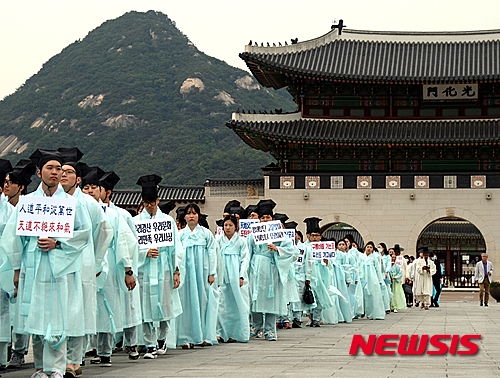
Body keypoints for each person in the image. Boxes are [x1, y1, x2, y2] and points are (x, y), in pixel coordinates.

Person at [1, 149, 91, 378]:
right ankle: (40, 368)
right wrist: (16, 269)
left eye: (58, 168)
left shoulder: (71, 203)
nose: (55, 172)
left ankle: (58, 368)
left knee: (59, 318)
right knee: (37, 318)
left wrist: (58, 243)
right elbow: (13, 238)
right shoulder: (27, 203)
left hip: (61, 269)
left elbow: (84, 233)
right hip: (33, 267)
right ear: (40, 172)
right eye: (50, 168)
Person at [59, 149, 113, 377]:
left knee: (78, 310)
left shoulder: (89, 204)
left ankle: (74, 358)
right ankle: (61, 358)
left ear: (78, 179)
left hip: (83, 262)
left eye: (69, 172)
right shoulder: (53, 202)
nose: (63, 175)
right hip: (59, 263)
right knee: (61, 310)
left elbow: (103, 233)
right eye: (61, 171)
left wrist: (96, 260)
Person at [134, 175, 182, 358]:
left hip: (163, 267)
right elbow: (131, 247)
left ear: (158, 201)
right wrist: (144, 253)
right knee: (145, 306)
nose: (149, 205)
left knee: (164, 305)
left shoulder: (167, 221)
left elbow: (176, 248)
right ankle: (149, 344)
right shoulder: (136, 221)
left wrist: (176, 270)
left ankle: (162, 338)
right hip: (144, 268)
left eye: (152, 202)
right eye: (146, 202)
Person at [247, 200, 297, 340]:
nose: (265, 220)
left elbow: (292, 251)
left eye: (268, 217)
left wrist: (277, 249)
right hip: (256, 268)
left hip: (272, 267)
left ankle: (269, 329)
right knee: (254, 297)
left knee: (272, 298)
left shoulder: (280, 234)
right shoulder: (252, 235)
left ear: (273, 219)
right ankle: (256, 326)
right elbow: (248, 252)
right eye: (262, 218)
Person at [177, 203, 218, 348]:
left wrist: (212, 272)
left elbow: (212, 253)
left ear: (198, 215)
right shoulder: (180, 235)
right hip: (186, 274)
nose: (191, 216)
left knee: (203, 301)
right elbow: (176, 254)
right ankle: (185, 337)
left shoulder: (206, 233)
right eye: (188, 213)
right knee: (186, 302)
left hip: (202, 272)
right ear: (185, 216)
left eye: (194, 213)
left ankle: (204, 335)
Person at [216, 215, 250, 343]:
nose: (228, 228)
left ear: (236, 227)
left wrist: (241, 276)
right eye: (226, 225)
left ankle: (237, 333)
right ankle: (222, 332)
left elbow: (245, 259)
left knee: (238, 304)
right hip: (223, 275)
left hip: (236, 275)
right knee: (223, 305)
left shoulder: (241, 241)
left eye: (231, 225)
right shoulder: (219, 241)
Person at [359, 241, 385, 320]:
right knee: (364, 294)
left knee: (373, 294)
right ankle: (364, 312)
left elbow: (378, 269)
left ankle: (374, 313)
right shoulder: (361, 257)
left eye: (370, 247)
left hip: (372, 276)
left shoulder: (375, 257)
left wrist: (379, 279)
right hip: (363, 276)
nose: (369, 249)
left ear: (373, 249)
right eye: (367, 247)